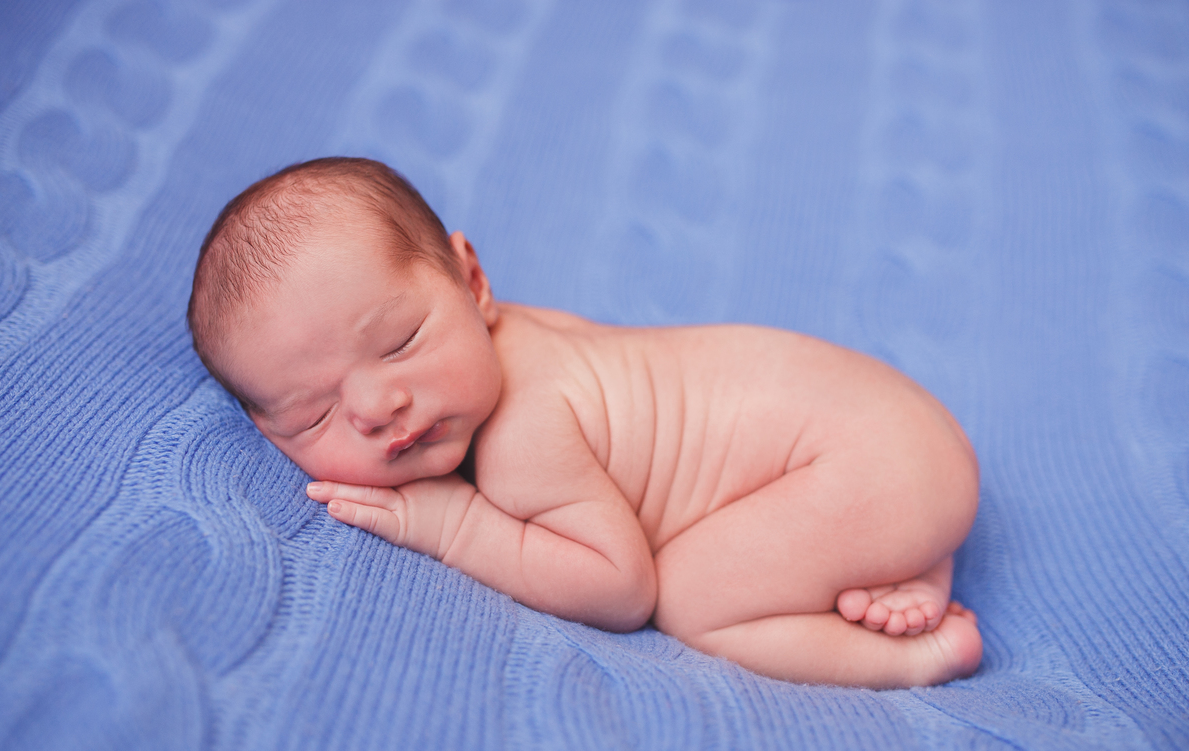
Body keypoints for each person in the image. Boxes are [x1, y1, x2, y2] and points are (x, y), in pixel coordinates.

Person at [187, 157, 983, 689]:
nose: (374, 408)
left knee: (693, 599)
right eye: (314, 413)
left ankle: (914, 656)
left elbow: (620, 588)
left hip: (863, 460)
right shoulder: (508, 336)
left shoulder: (522, 433)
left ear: (473, 282)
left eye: (400, 343)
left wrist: (454, 527)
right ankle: (903, 552)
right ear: (266, 434)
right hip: (892, 429)